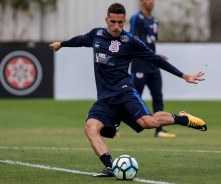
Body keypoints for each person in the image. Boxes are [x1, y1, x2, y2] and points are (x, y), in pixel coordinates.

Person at [49, 3, 207, 177]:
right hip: (105, 99)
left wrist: (183, 75)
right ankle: (111, 167)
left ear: (124, 21)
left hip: (125, 93)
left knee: (149, 123)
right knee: (90, 128)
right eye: (113, 22)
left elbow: (156, 60)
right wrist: (61, 44)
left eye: (120, 23)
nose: (117, 27)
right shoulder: (97, 35)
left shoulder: (130, 41)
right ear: (106, 20)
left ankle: (182, 118)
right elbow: (80, 40)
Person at [130, 0, 176, 138]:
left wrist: (156, 56)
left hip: (153, 65)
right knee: (131, 98)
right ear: (141, 1)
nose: (150, 2)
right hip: (139, 64)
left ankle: (159, 130)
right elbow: (134, 41)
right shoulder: (136, 18)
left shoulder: (155, 21)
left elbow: (151, 43)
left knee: (158, 97)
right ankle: (114, 126)